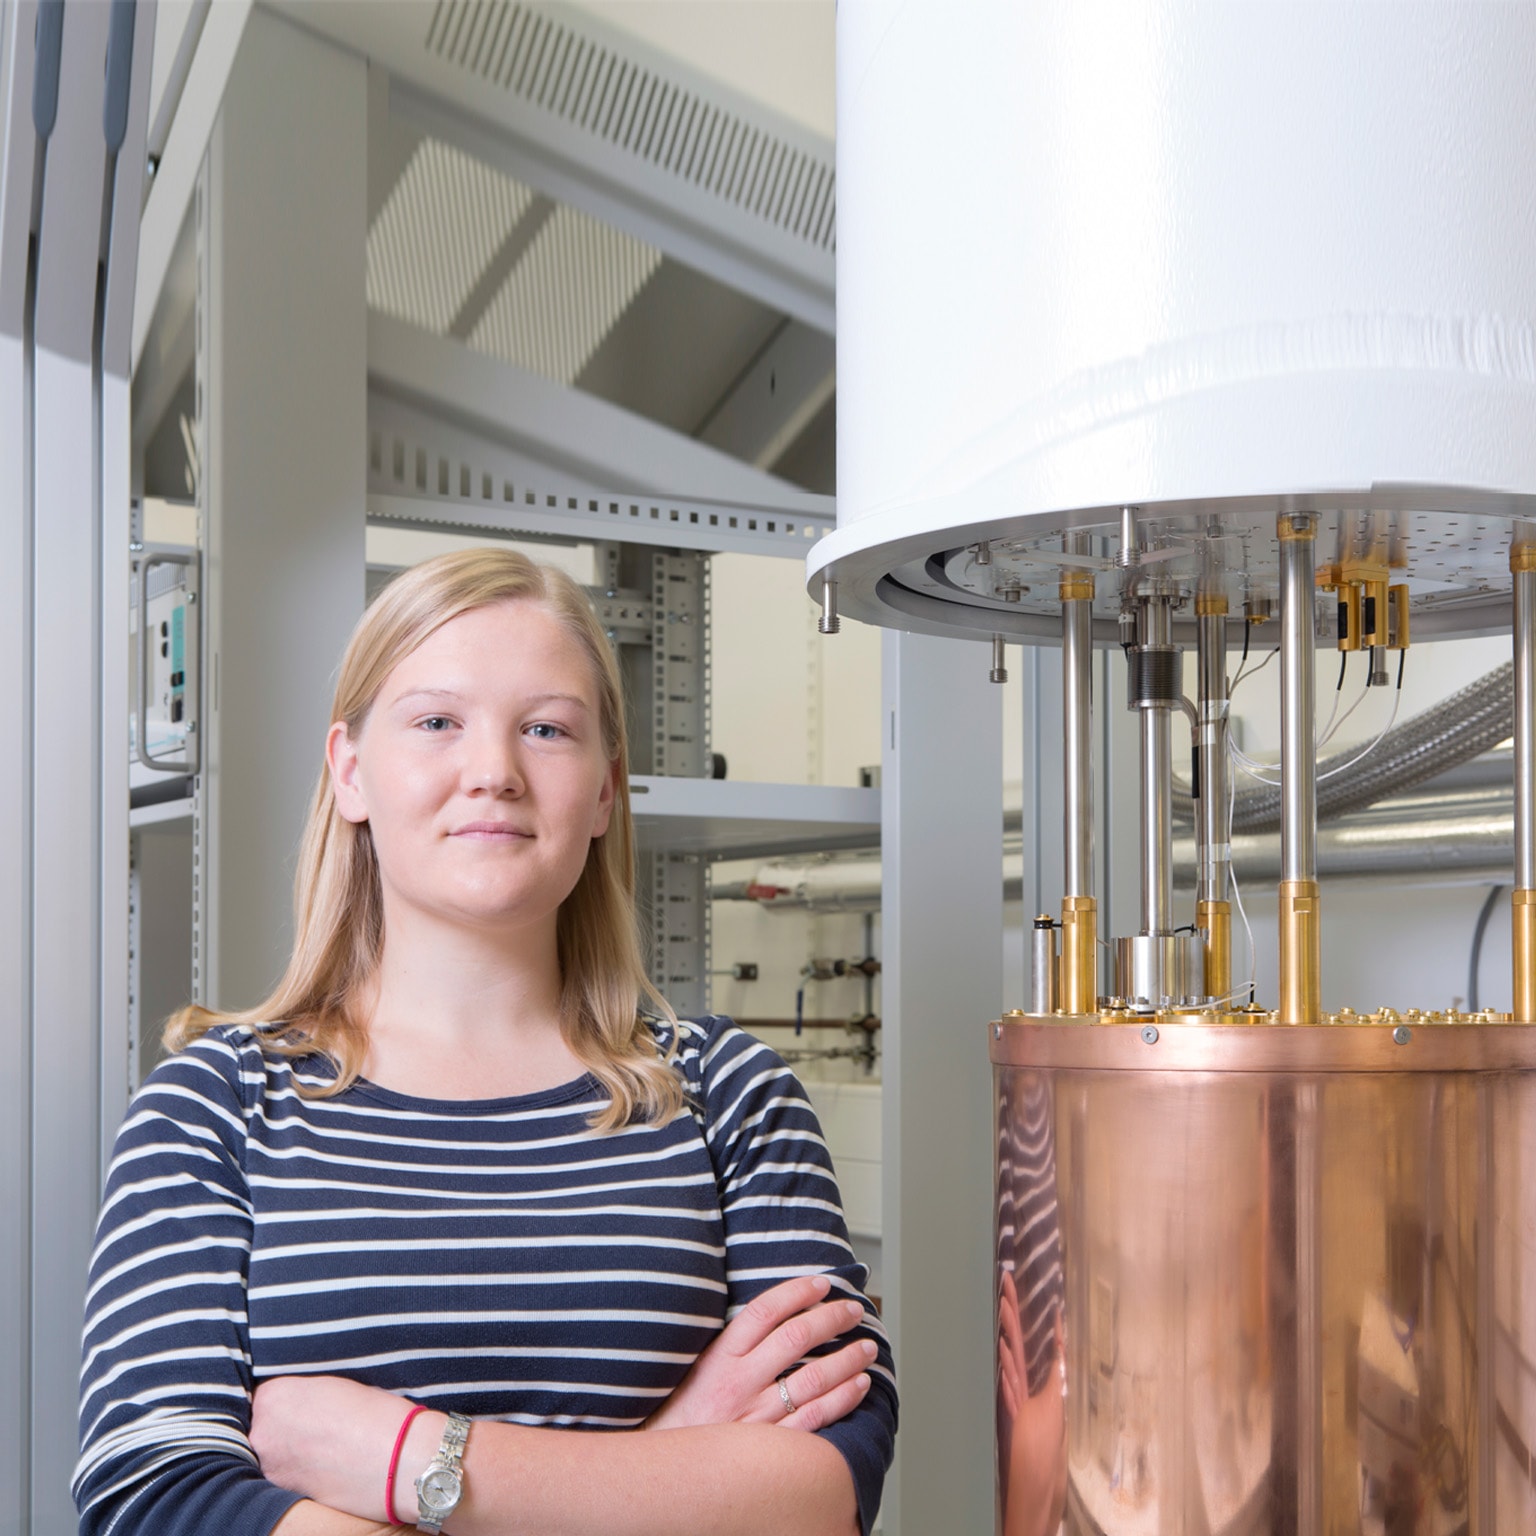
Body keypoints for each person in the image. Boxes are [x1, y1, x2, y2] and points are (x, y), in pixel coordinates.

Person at [76, 548, 896, 1536]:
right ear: (351, 770)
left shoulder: (730, 1095)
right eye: (436, 722)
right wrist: (664, 1465)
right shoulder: (214, 1107)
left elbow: (828, 1488)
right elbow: (152, 1497)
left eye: (547, 729)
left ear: (605, 791)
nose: (495, 774)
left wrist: (409, 1458)